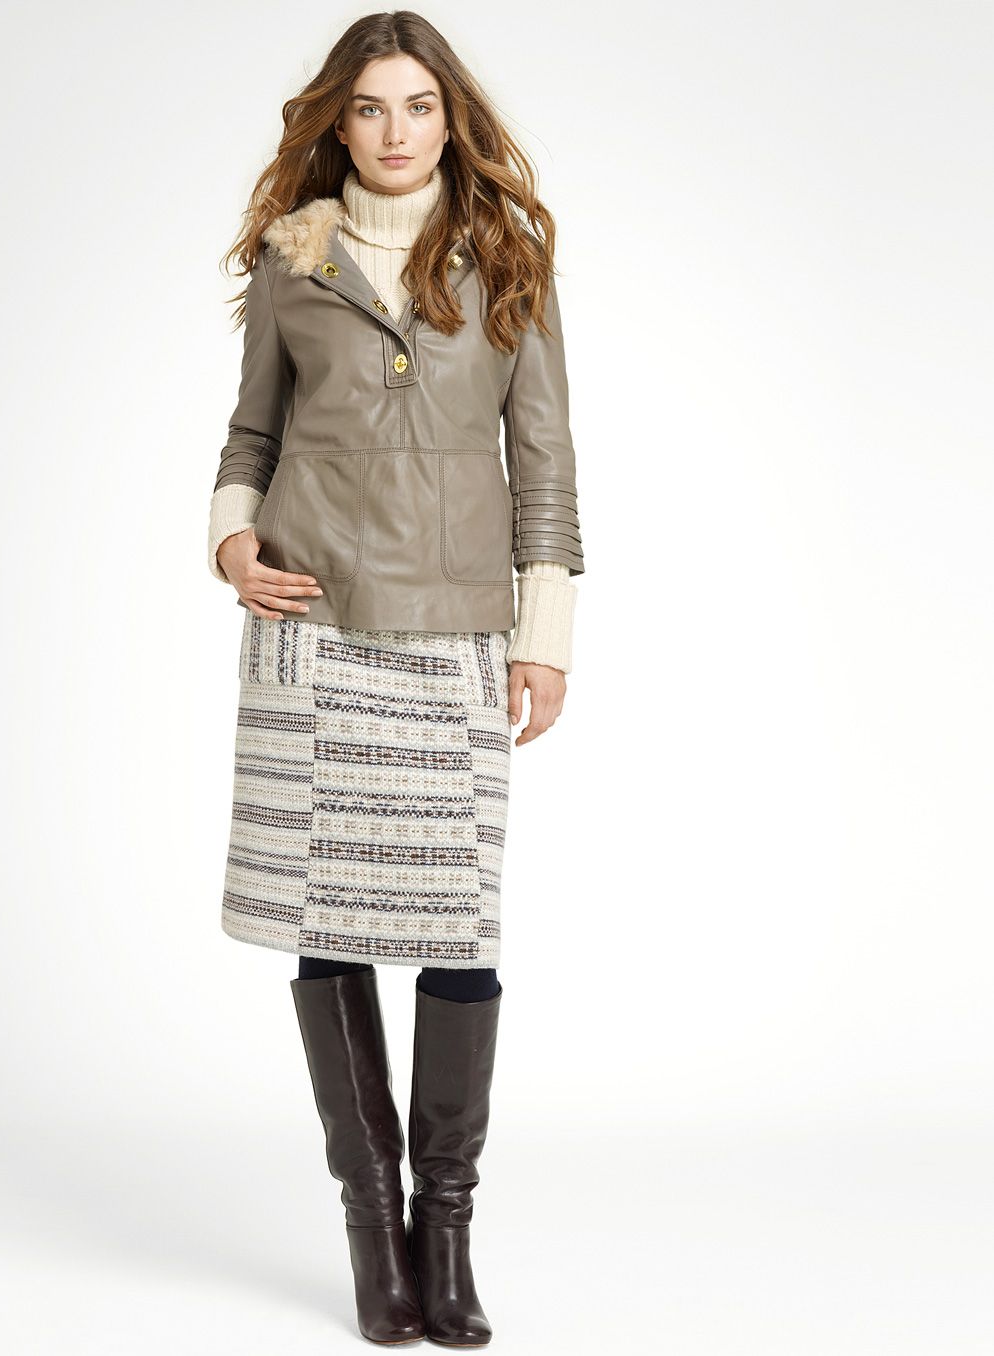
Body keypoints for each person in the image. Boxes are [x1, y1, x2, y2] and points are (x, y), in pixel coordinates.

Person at [207, 12, 584, 1345]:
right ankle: (374, 1232)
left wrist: (543, 632)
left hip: (454, 627)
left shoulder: (507, 258)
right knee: (332, 922)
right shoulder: (292, 261)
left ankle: (448, 1231)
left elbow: (544, 463)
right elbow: (250, 435)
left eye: (418, 105)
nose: (394, 130)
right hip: (313, 620)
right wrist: (230, 541)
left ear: (449, 119)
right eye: (369, 107)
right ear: (338, 121)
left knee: (457, 931)